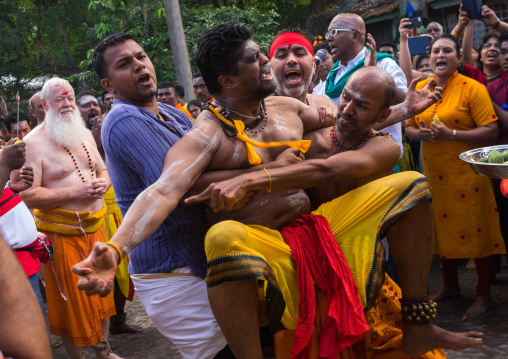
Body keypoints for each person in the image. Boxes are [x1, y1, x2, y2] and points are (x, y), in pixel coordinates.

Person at [74, 24, 481, 358]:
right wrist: (116, 249)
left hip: (317, 227)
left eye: (141, 56)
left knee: (410, 184)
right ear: (228, 80)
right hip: (260, 251)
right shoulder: (206, 134)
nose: (267, 62)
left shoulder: (288, 108)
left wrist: (403, 110)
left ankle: (418, 321)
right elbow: (163, 190)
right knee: (223, 236)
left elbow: (346, 124)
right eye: (256, 59)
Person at [72, 25, 338, 359]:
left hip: (206, 258)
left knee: (265, 343)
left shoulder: (169, 112)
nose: (139, 65)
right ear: (108, 85)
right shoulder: (124, 119)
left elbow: (211, 164)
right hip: (173, 270)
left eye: (141, 56)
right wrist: (277, 167)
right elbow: (173, 186)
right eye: (124, 64)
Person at [405, 34, 505, 320]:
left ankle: (483, 294)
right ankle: (450, 286)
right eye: (435, 50)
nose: (440, 55)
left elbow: (492, 131)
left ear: (459, 59)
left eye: (447, 50)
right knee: (440, 230)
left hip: (468, 176)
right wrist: (418, 134)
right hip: (435, 176)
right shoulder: (423, 88)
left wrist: (453, 135)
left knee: (477, 232)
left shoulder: (472, 88)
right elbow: (409, 127)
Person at [20, 78, 120, 359]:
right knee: (70, 302)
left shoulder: (84, 134)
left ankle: (105, 352)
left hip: (96, 228)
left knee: (102, 292)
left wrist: (104, 182)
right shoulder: (32, 144)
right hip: (60, 236)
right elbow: (26, 196)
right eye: (59, 100)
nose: (67, 105)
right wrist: (74, 191)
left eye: (70, 98)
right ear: (44, 105)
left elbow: (103, 170)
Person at [76, 91, 143, 336]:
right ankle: (95, 328)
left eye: (95, 103)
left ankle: (117, 322)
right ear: (77, 110)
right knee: (96, 270)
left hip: (117, 208)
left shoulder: (111, 125)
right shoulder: (72, 137)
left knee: (123, 270)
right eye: (85, 106)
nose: (92, 108)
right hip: (89, 215)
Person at [317, 13, 407, 158]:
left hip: (380, 156)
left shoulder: (383, 63)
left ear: (355, 36)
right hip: (341, 158)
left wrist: (374, 73)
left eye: (334, 32)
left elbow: (404, 102)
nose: (329, 38)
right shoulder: (332, 74)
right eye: (328, 33)